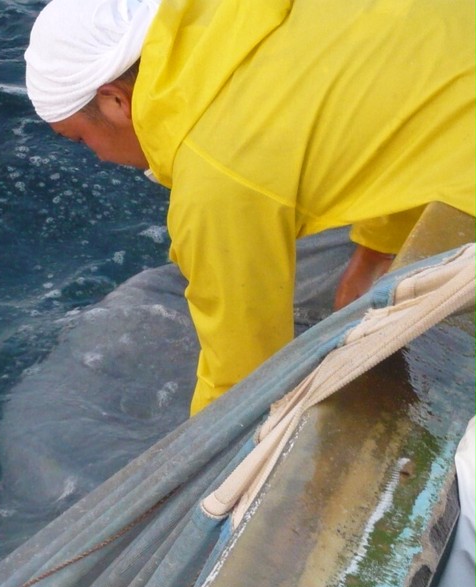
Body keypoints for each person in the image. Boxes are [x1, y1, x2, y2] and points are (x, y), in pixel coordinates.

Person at [24, 0, 476, 414]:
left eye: (80, 139)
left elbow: (241, 384)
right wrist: (375, 252)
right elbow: (394, 103)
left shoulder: (217, 174)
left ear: (116, 100)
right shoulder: (250, 16)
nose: (98, 157)